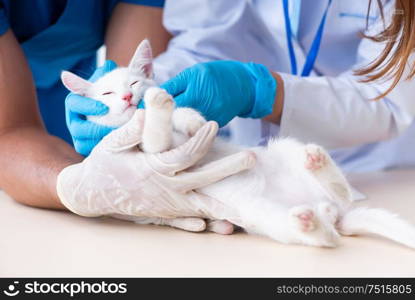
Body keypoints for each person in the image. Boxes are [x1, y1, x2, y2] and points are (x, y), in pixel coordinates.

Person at [69, 0, 415, 173]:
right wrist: (144, 89)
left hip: (383, 170)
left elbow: (386, 101)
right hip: (260, 166)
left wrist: (259, 91)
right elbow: (203, 42)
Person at [0, 0, 253, 230]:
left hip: (82, 85)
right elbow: (9, 132)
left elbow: (134, 108)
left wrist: (138, 176)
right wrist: (84, 186)